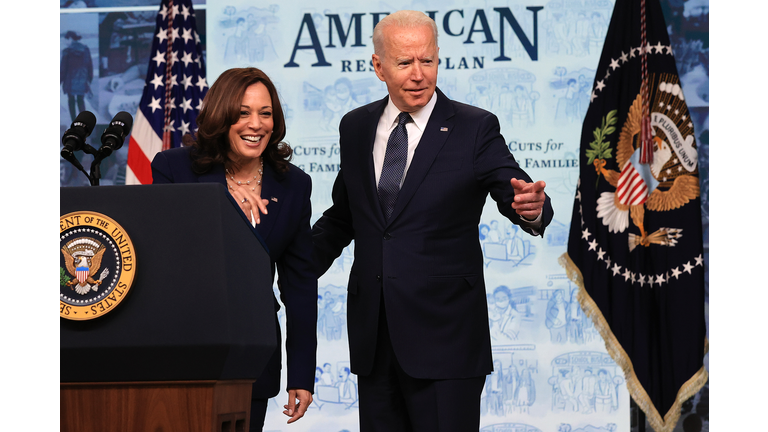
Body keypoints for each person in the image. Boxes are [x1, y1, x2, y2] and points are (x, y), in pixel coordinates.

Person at [311, 10, 553, 431]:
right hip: (374, 339)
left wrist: (531, 209)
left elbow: (515, 189)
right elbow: (345, 217)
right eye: (405, 63)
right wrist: (285, 264)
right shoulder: (355, 127)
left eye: (428, 61)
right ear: (378, 66)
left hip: (447, 340)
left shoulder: (475, 127)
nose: (419, 74)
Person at [150, 68, 316, 430]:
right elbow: (164, 258)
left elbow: (300, 285)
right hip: (183, 347)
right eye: (242, 112)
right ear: (221, 115)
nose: (255, 124)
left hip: (251, 353)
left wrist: (302, 374)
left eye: (265, 113)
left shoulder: (294, 185)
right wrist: (218, 205)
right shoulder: (174, 168)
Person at [60, 30, 93, 122]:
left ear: (70, 39)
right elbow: (89, 66)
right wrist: (89, 80)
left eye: (66, 40)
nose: (65, 42)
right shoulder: (86, 49)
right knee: (81, 101)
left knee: (71, 101)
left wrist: (59, 82)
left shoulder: (66, 52)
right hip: (82, 80)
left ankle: (74, 121)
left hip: (70, 81)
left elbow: (63, 70)